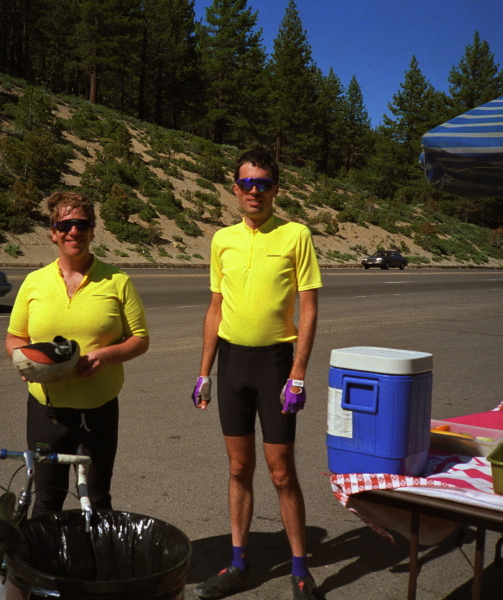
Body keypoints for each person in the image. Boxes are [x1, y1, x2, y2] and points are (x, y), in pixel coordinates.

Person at [192, 149, 321, 600]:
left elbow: (309, 308)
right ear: (234, 188)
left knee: (282, 471)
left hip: (276, 365)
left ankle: (301, 569)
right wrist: (203, 371)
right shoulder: (221, 240)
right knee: (239, 467)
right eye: (246, 183)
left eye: (263, 184)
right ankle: (239, 563)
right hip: (232, 365)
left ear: (275, 190)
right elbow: (215, 308)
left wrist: (298, 374)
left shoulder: (296, 235)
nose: (254, 191)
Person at [5, 191, 149, 516]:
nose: (74, 231)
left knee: (97, 500)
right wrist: (22, 361)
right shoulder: (34, 283)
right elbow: (14, 337)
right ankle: (48, 566)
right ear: (53, 232)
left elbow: (139, 339)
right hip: (47, 413)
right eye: (66, 224)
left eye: (82, 224)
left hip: (98, 413)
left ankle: (96, 566)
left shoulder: (118, 281)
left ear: (93, 230)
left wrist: (104, 357)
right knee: (47, 501)